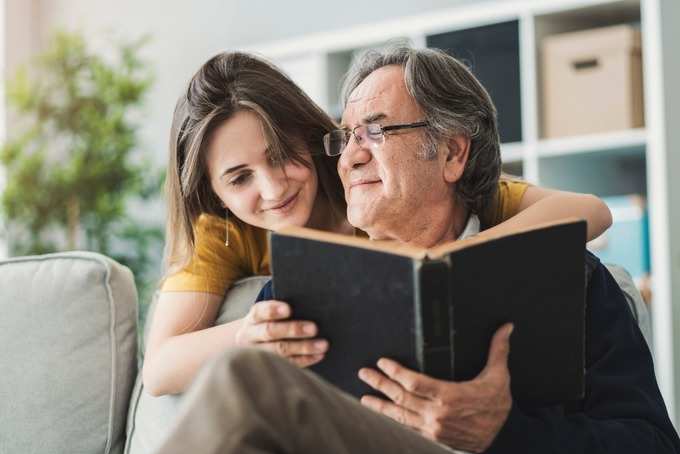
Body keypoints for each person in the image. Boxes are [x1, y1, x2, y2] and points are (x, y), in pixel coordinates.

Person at [106, 45, 680, 454]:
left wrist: (498, 431)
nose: (349, 157)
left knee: (250, 380)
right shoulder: (303, 286)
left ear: (452, 153)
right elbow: (164, 367)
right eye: (345, 137)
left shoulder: (570, 276)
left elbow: (655, 453)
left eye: (375, 133)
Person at [142, 51, 613, 397]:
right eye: (240, 178)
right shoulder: (226, 232)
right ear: (215, 195)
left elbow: (591, 210)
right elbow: (160, 368)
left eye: (282, 156)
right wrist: (248, 336)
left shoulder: (377, 181)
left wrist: (455, 263)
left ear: (310, 139)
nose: (272, 189)